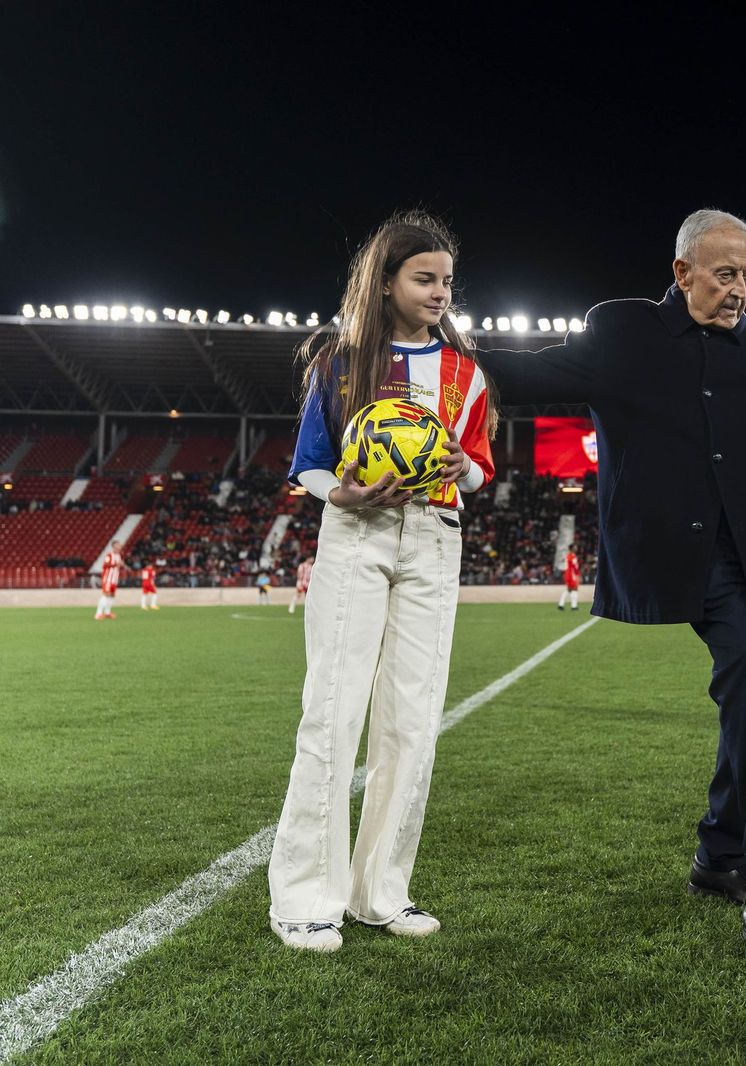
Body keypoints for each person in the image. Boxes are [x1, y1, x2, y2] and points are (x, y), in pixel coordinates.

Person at [475, 209, 746, 949]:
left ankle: (717, 855)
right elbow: (528, 368)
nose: (739, 288)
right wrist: (431, 347)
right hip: (693, 559)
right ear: (682, 273)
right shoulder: (624, 334)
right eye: (724, 273)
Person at [268, 211, 497, 952]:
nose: (440, 293)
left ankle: (380, 892)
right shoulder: (340, 362)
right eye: (424, 279)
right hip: (356, 533)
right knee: (332, 713)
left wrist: (465, 469)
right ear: (387, 281)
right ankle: (305, 897)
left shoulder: (467, 372)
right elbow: (309, 457)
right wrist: (339, 491)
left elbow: (480, 463)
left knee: (412, 723)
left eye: (447, 282)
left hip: (434, 538)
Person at [94, 540, 123, 620]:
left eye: (120, 545)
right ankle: (98, 614)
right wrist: (116, 564)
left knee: (112, 595)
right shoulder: (109, 555)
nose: (120, 546)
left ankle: (107, 612)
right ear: (114, 546)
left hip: (114, 579)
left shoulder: (119, 556)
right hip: (108, 579)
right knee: (106, 594)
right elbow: (105, 565)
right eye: (118, 545)